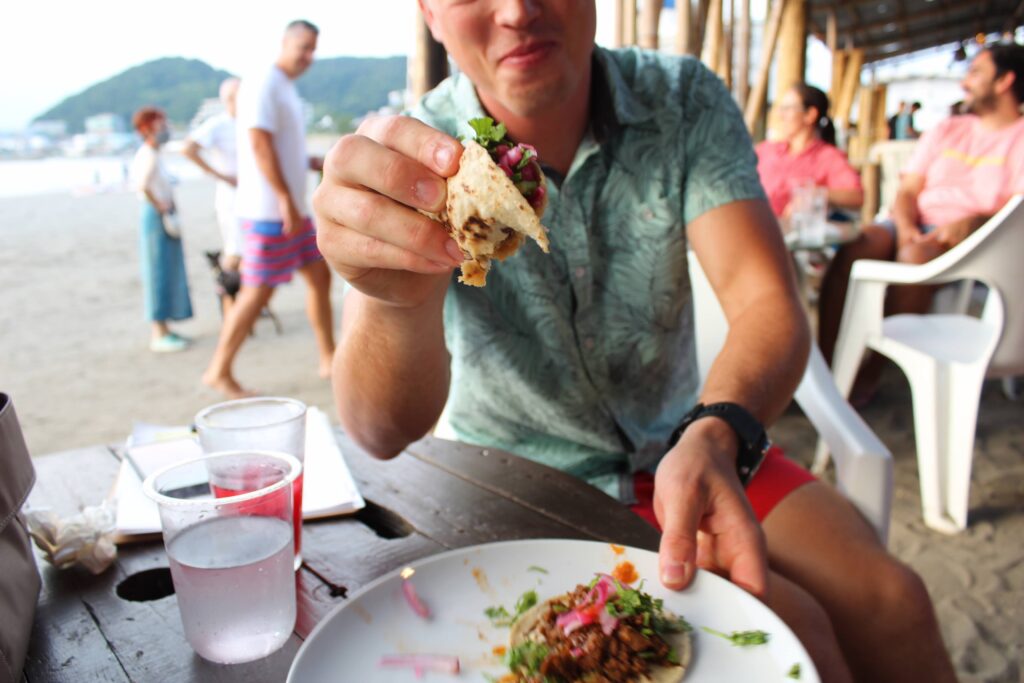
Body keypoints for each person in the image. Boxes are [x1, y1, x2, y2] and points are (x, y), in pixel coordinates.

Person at [314, 2, 957, 681]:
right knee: (802, 634)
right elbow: (379, 431)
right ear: (429, 12)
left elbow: (766, 302)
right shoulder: (411, 167)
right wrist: (394, 299)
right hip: (523, 484)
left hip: (693, 441)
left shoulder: (682, 99)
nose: (517, 10)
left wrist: (717, 429)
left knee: (895, 602)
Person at [819, 44, 1024, 398]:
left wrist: (972, 224)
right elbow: (908, 190)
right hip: (914, 221)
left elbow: (1015, 211)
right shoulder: (948, 129)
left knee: (915, 256)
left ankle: (872, 370)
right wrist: (905, 226)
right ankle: (828, 365)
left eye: (976, 73)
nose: (965, 83)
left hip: (978, 237)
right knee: (857, 246)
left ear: (1005, 81)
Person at [202, 20, 334, 398]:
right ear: (285, 43)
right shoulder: (263, 81)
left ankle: (329, 357)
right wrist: (284, 199)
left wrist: (310, 163)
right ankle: (218, 370)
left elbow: (282, 147)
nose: (308, 56)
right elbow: (258, 144)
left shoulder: (285, 86)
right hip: (270, 211)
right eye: (303, 47)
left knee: (319, 277)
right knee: (256, 292)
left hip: (291, 210)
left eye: (313, 49)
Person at [129, 106, 193, 353]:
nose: (165, 128)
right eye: (160, 124)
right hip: (156, 217)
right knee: (158, 271)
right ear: (147, 128)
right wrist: (160, 205)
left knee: (166, 269)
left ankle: (165, 328)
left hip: (159, 215)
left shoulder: (153, 153)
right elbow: (144, 185)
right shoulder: (148, 154)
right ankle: (159, 332)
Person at [756, 83, 863, 220]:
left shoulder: (828, 157)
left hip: (788, 230)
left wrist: (814, 194)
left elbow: (856, 196)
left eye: (788, 109)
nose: (781, 115)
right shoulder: (767, 150)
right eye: (781, 109)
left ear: (810, 115)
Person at [183, 77, 242, 316]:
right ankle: (228, 305)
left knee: (248, 254)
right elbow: (188, 149)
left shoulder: (248, 124)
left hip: (251, 200)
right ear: (228, 99)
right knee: (235, 251)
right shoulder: (218, 124)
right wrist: (220, 175)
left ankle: (242, 302)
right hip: (231, 200)